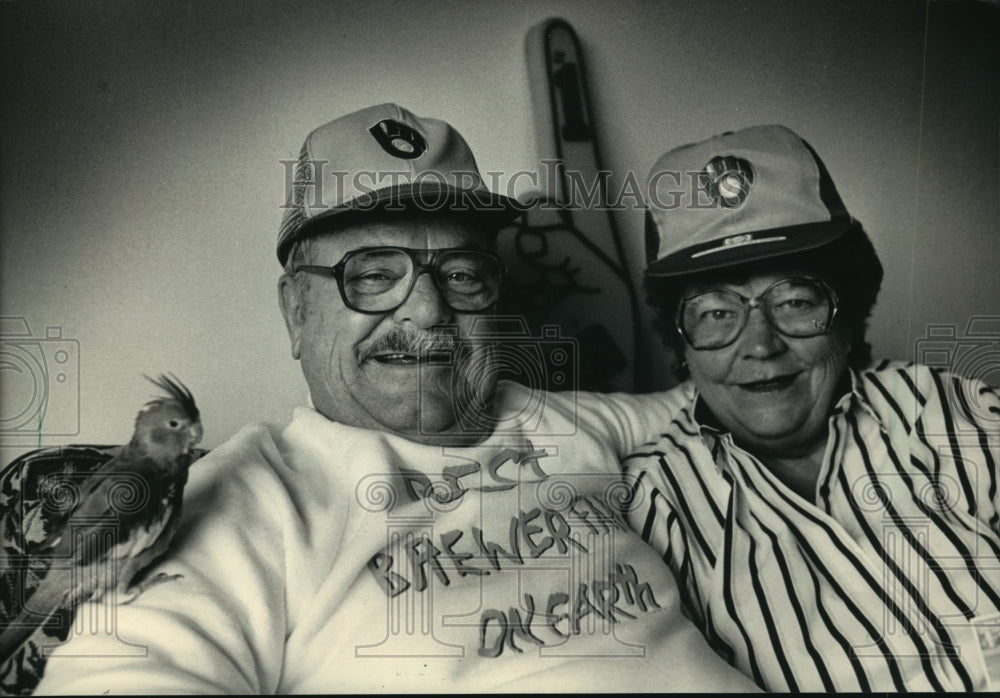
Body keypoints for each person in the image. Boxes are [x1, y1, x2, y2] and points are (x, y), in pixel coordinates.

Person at [32, 104, 757, 693]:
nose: (429, 313)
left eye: (464, 274)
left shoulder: (563, 417)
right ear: (296, 313)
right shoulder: (249, 499)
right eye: (374, 275)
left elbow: (721, 399)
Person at [623, 124, 1000, 692]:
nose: (761, 344)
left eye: (796, 300)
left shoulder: (953, 413)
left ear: (847, 315)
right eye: (717, 312)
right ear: (680, 341)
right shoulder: (652, 509)